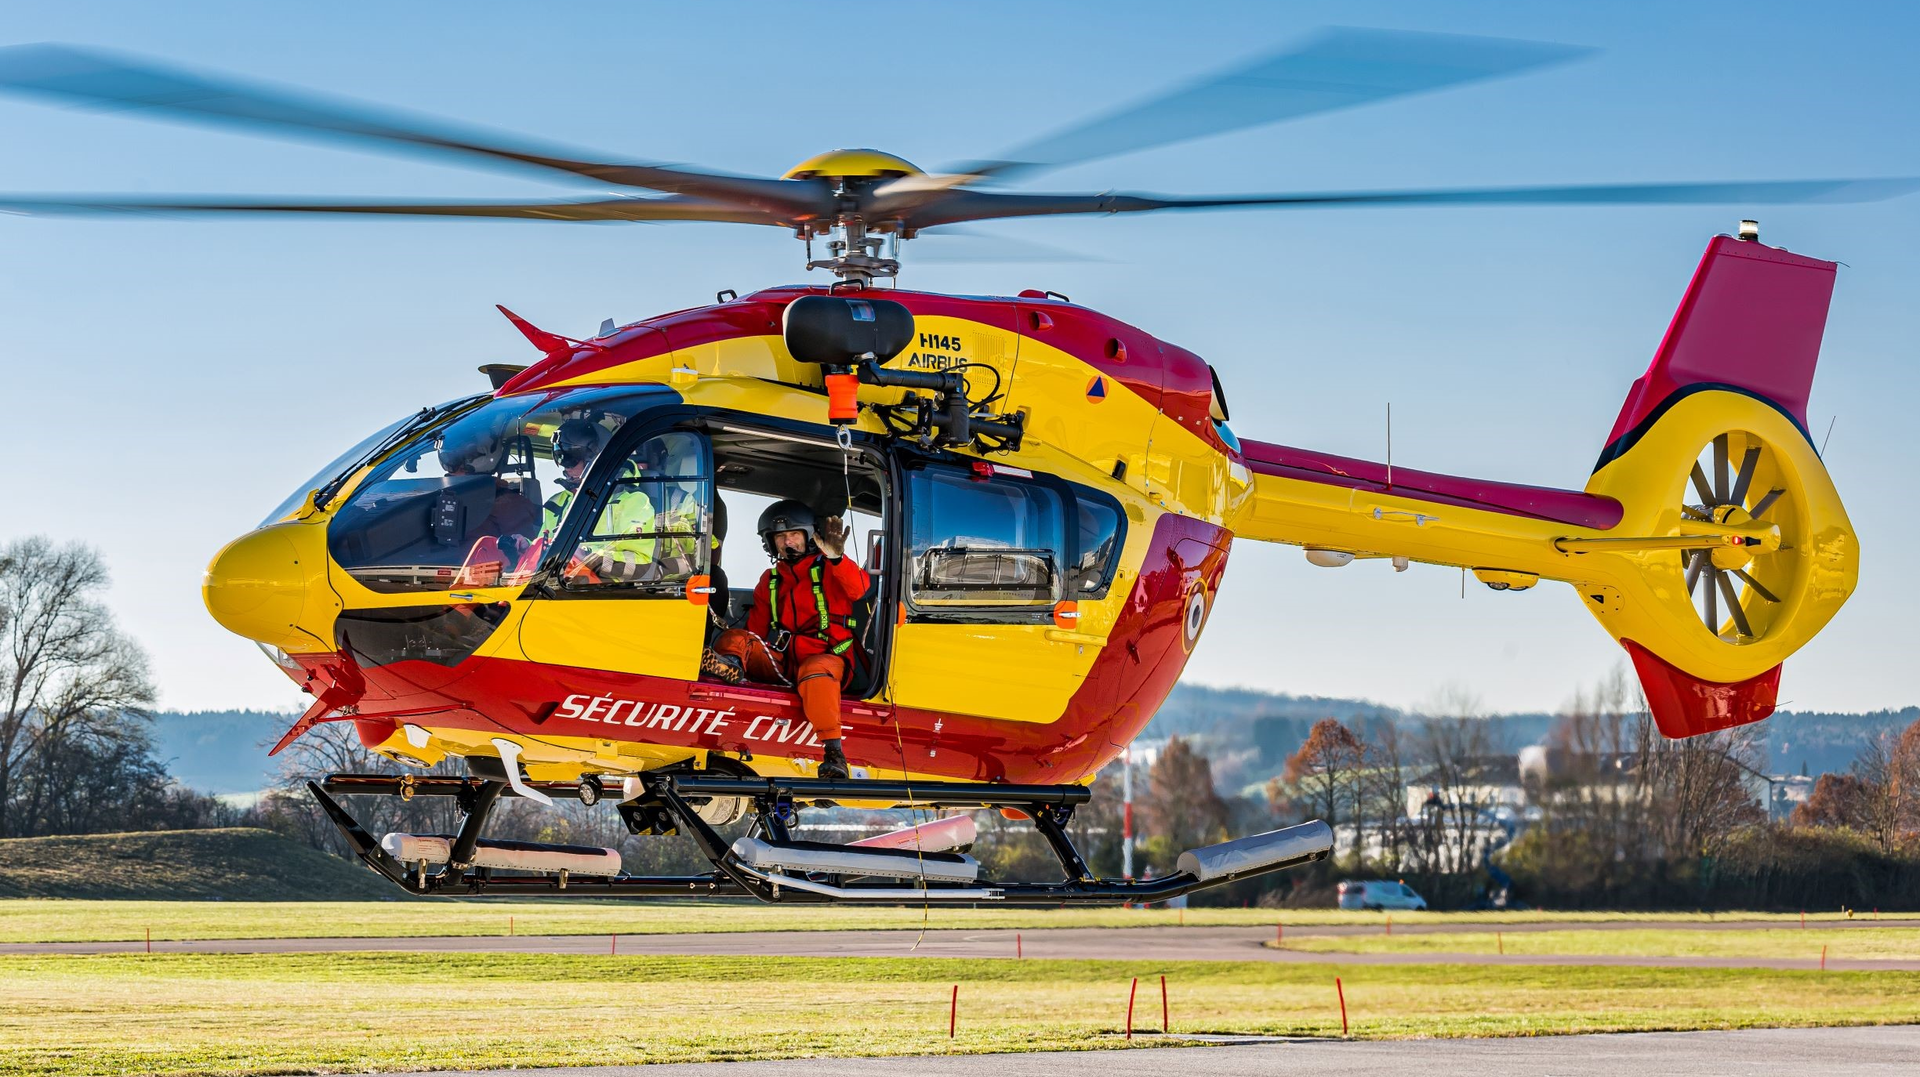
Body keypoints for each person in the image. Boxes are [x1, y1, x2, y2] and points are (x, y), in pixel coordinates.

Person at [711, 499, 868, 780]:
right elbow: (755, 633)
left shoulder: (832, 568)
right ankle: (730, 668)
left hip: (829, 660)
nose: (788, 542)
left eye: (794, 534)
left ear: (809, 536)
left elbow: (858, 590)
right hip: (785, 663)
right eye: (780, 537)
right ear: (771, 544)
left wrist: (837, 558)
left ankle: (834, 753)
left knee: (814, 670)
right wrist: (743, 652)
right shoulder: (770, 580)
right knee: (735, 637)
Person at [543, 419, 658, 579]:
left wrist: (587, 558)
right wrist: (524, 546)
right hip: (553, 588)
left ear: (595, 459)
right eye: (560, 458)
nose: (565, 466)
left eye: (570, 459)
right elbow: (544, 546)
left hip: (605, 591)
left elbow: (640, 564)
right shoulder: (555, 504)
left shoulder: (634, 502)